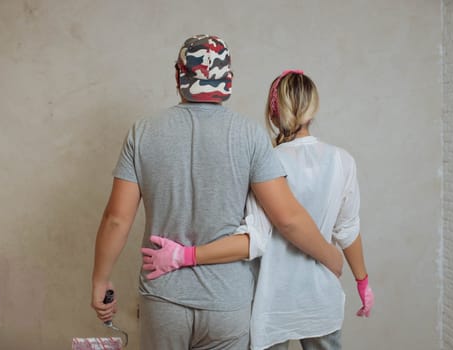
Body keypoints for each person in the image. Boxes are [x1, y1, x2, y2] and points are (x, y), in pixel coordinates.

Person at [90, 35, 344, 350]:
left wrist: (100, 280)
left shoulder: (143, 132)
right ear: (229, 80)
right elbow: (288, 218)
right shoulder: (250, 135)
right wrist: (331, 256)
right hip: (228, 303)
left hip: (163, 298)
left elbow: (117, 218)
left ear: (178, 75)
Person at [142, 70, 375, 349]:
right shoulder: (342, 161)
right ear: (313, 109)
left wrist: (184, 255)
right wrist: (362, 281)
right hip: (320, 298)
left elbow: (255, 240)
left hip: (272, 300)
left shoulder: (267, 162)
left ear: (273, 112)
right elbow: (347, 229)